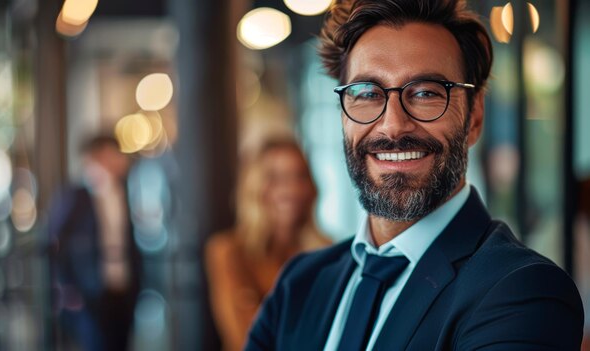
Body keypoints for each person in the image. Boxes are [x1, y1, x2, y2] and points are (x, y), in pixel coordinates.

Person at [246, 1, 584, 350]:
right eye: (366, 93)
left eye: (425, 93)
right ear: (343, 115)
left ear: (475, 117)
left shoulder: (524, 291)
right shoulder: (299, 284)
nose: (393, 125)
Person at [206, 138, 330, 351]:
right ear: (255, 186)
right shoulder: (227, 251)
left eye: (299, 176)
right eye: (276, 178)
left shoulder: (329, 253)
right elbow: (245, 337)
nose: (291, 189)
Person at [47, 135, 142, 351]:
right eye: (114, 154)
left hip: (125, 289)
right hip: (91, 293)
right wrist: (68, 289)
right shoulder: (76, 196)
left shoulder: (127, 191)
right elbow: (55, 246)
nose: (121, 160)